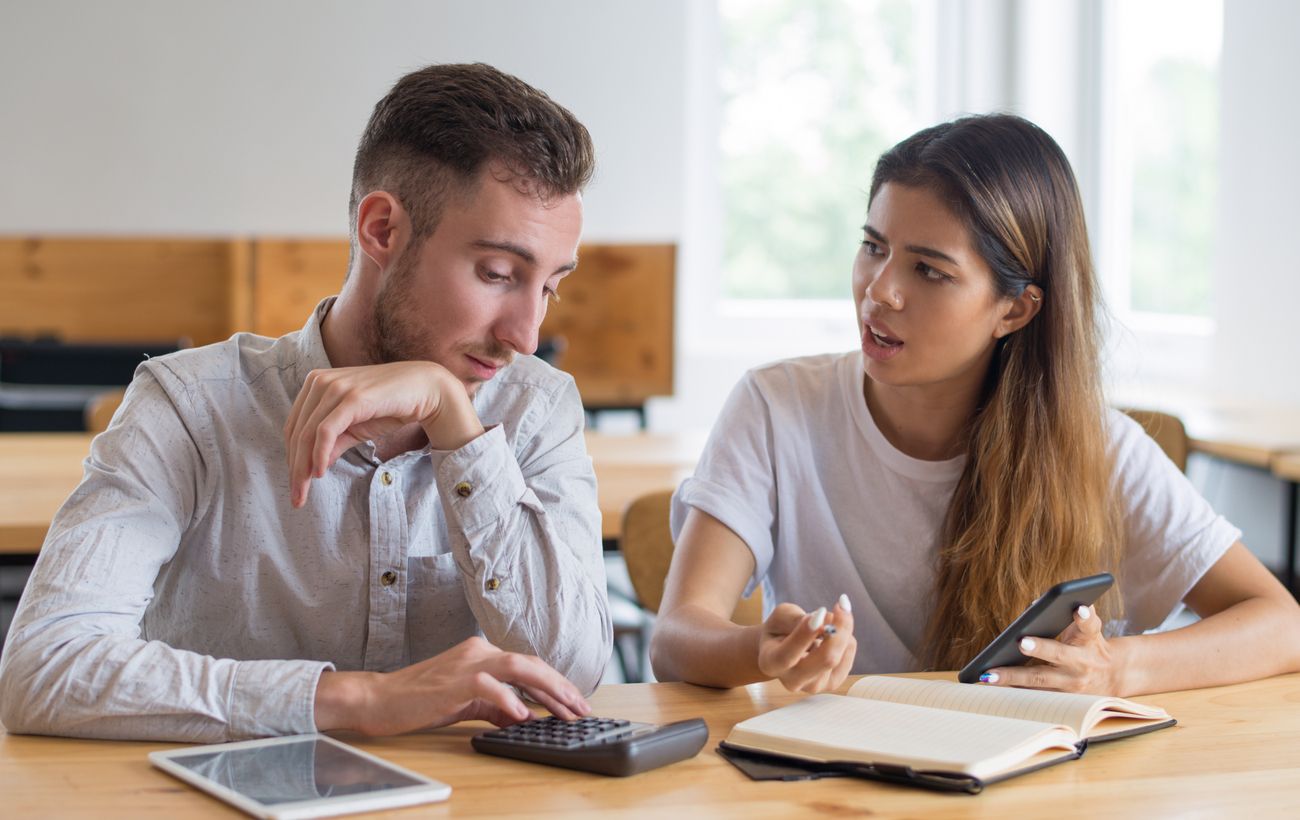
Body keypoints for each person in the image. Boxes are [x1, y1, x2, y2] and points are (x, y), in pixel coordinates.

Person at [0, 63, 612, 741]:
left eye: (550, 287)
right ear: (382, 230)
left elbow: (574, 671)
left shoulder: (537, 409)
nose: (525, 337)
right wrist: (358, 700)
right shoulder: (190, 406)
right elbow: (43, 667)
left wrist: (457, 428)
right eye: (497, 274)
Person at [650, 114, 1300, 697]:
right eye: (873, 246)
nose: (880, 291)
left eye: (929, 270)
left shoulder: (1098, 448)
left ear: (1014, 309)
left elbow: (1282, 624)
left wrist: (1117, 668)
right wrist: (760, 652)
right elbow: (676, 638)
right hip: (833, 772)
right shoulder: (776, 407)